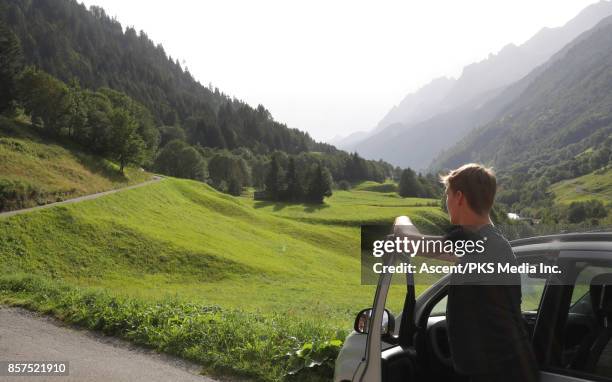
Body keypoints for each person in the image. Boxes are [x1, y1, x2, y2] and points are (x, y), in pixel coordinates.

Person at [394, 163, 539, 382]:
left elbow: (411, 242)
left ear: (459, 197)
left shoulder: (475, 242)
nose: (447, 202)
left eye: (448, 195)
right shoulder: (494, 243)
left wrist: (401, 219)